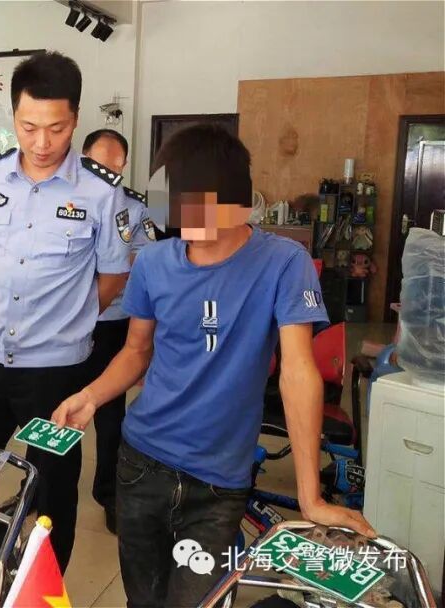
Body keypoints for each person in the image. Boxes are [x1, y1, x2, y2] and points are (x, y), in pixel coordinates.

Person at [52, 124, 375, 606]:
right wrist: (91, 396)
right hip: (141, 463)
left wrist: (310, 496)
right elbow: (137, 351)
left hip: (219, 481)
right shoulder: (154, 262)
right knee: (143, 601)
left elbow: (297, 371)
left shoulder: (284, 263)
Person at [0, 51, 131, 572]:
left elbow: (113, 275)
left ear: (75, 118)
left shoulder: (100, 192)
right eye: (29, 127)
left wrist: (69, 318)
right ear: (14, 117)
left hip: (57, 370)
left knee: (53, 488)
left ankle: (43, 585)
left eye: (56, 128)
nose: (42, 142)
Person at [80, 128, 157, 534]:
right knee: (50, 408)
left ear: (124, 166)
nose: (107, 177)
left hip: (111, 323)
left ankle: (109, 494)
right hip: (59, 326)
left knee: (109, 414)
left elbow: (143, 260)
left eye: (114, 169)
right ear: (83, 160)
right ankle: (41, 488)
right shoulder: (61, 200)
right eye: (97, 168)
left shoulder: (135, 208)